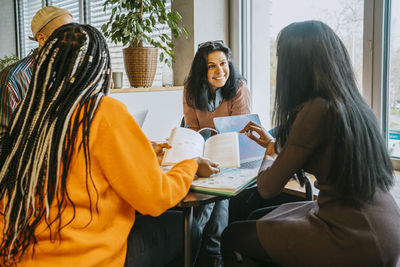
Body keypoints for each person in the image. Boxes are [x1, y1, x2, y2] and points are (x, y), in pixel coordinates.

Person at [0, 23, 220, 267]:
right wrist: (190, 165)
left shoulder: (29, 112)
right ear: (100, 70)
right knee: (187, 230)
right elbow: (156, 198)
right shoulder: (101, 110)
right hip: (79, 258)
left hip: (17, 254)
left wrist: (143, 152)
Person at [221, 20, 400, 266]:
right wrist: (275, 145)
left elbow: (266, 188)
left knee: (232, 236)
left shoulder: (316, 110)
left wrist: (271, 152)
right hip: (385, 223)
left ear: (296, 67)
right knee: (259, 216)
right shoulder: (351, 104)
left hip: (352, 235)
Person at [183, 40, 251, 267]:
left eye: (223, 63)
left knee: (209, 205)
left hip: (232, 157)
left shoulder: (239, 88)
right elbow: (192, 129)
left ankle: (195, 250)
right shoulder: (191, 89)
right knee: (211, 200)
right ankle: (211, 256)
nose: (219, 70)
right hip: (204, 154)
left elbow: (241, 133)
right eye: (211, 66)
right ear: (202, 70)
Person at [0, 6, 73, 150]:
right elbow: (3, 141)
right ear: (41, 38)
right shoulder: (12, 80)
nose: (73, 39)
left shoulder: (73, 74)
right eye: (65, 33)